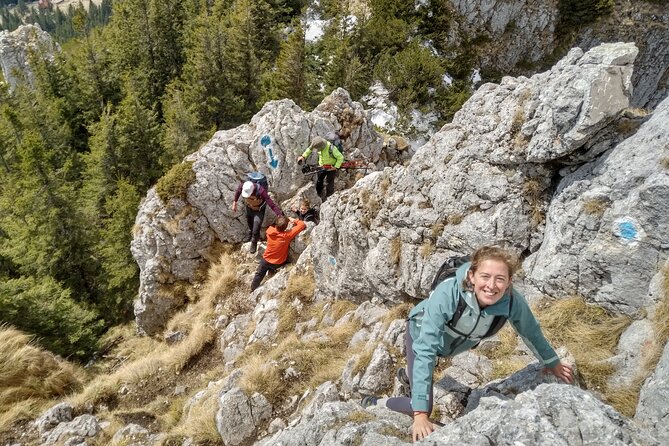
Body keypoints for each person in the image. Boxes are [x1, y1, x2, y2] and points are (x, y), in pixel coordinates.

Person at [361, 246, 574, 442]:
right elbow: (425, 350)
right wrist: (420, 415)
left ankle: (409, 375)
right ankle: (375, 402)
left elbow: (531, 331)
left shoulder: (512, 302)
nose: (491, 286)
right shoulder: (448, 294)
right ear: (471, 276)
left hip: (451, 346)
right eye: (485, 276)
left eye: (500, 279)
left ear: (509, 281)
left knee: (421, 378)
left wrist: (551, 361)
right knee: (421, 405)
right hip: (420, 336)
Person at [250, 215, 306, 291]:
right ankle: (272, 270)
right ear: (286, 227)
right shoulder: (287, 235)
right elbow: (302, 224)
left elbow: (276, 228)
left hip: (266, 260)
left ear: (275, 225)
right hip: (278, 263)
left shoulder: (269, 232)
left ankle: (253, 289)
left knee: (259, 274)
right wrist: (293, 220)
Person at [232, 180, 282, 254]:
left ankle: (254, 241)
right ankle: (250, 233)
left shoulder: (261, 191)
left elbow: (272, 205)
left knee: (256, 227)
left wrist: (279, 215)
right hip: (249, 207)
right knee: (249, 222)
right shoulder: (243, 186)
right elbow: (238, 191)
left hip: (259, 210)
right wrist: (235, 202)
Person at [296, 136, 344, 201]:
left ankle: (329, 197)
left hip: (331, 167)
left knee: (329, 182)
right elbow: (309, 149)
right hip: (322, 166)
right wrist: (303, 156)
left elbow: (340, 157)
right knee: (319, 180)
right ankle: (319, 192)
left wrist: (335, 167)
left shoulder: (332, 148)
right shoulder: (317, 143)